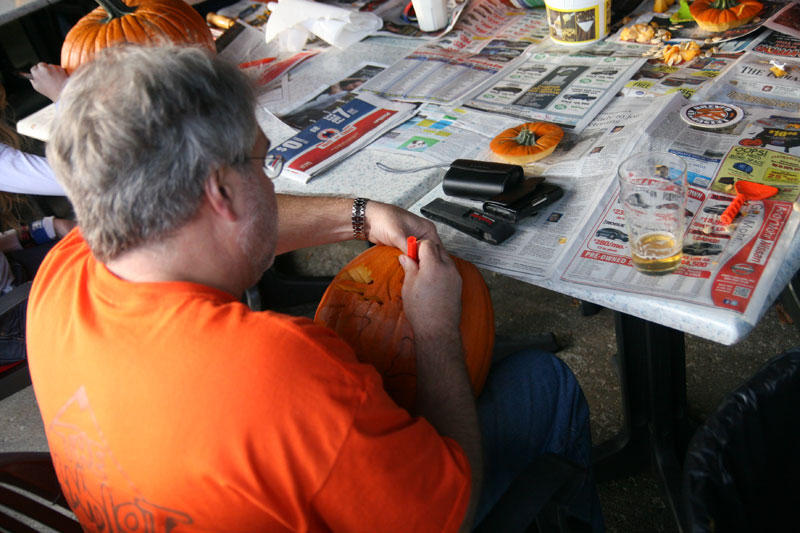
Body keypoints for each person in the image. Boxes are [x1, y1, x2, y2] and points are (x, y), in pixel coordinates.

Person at [28, 44, 603, 531]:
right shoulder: (280, 367)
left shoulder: (63, 271)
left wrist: (357, 214)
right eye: (261, 163)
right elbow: (447, 513)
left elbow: (222, 222)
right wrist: (434, 329)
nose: (267, 176)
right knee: (541, 381)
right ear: (220, 194)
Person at [0, 82, 75, 363]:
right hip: (8, 319)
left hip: (12, 279)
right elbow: (86, 174)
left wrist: (49, 226)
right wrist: (63, 95)